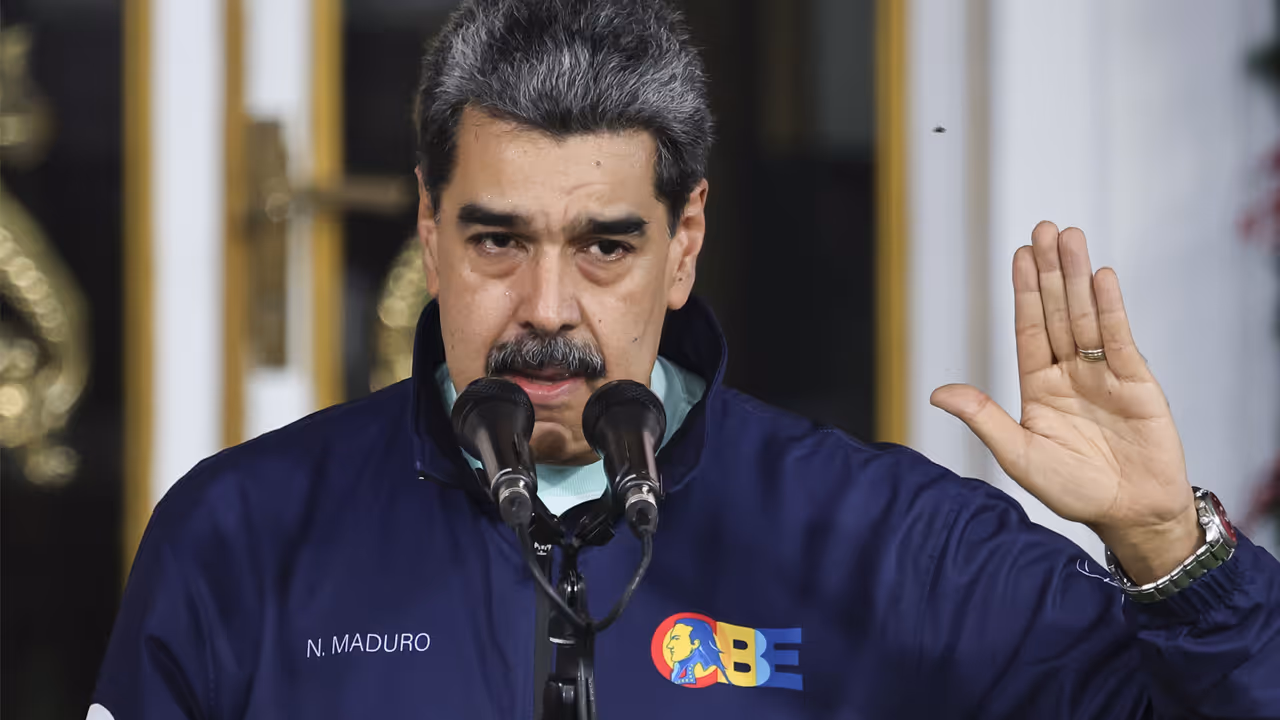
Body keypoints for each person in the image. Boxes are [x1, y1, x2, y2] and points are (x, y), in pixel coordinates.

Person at [88, 0, 1280, 717]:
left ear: (684, 243)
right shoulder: (242, 533)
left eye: (604, 246)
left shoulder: (884, 541)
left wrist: (1168, 553)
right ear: (427, 228)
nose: (544, 308)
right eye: (497, 240)